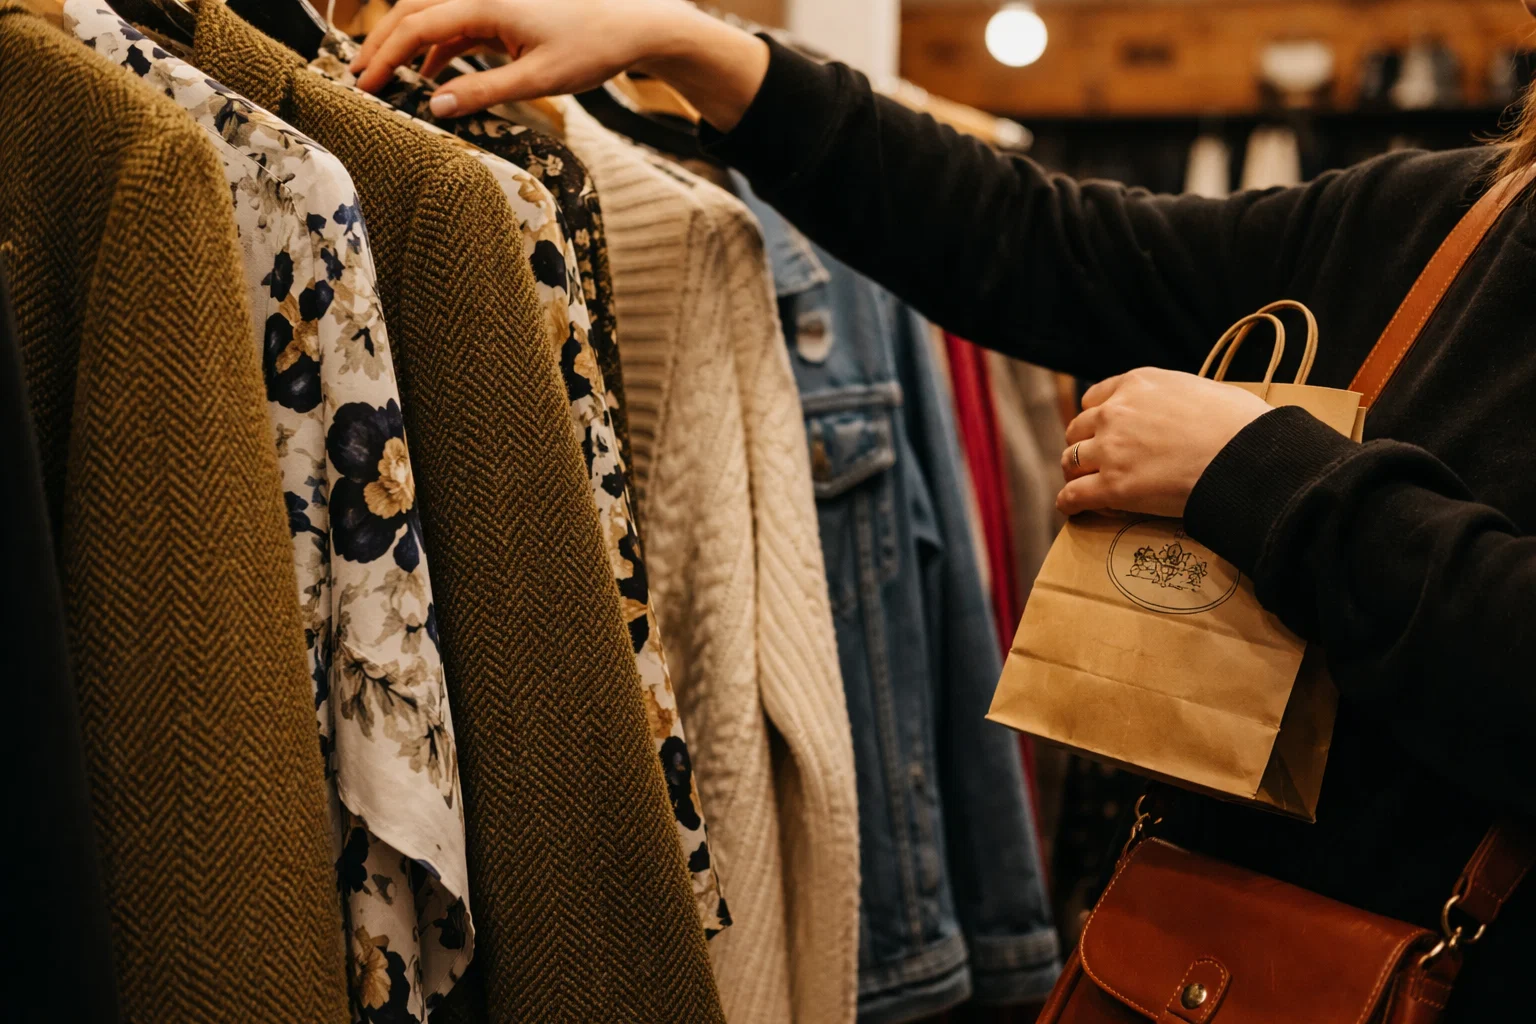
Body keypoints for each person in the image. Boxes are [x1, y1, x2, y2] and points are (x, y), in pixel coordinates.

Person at [352, 1, 1536, 1017]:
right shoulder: (1457, 221)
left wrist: (1254, 470)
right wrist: (696, 47)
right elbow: (1049, 244)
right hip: (1212, 962)